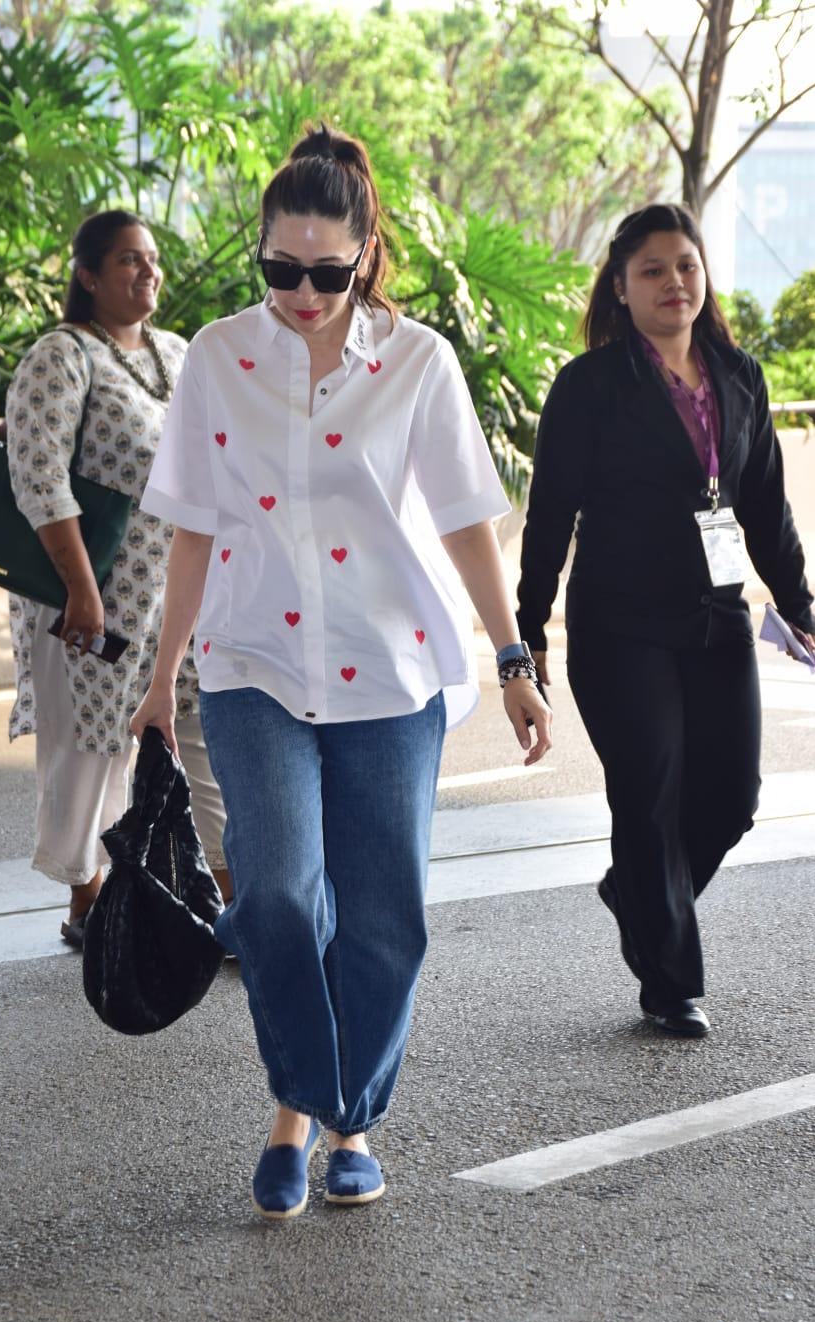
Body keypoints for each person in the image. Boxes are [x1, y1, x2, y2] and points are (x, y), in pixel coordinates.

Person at [131, 124, 552, 1219]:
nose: (302, 292)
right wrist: (159, 675)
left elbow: (465, 521)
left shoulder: (418, 363)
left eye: (326, 272)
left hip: (389, 669)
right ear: (259, 251)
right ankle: (297, 1100)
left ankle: (342, 1122)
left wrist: (511, 657)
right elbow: (188, 527)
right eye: (281, 270)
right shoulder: (216, 360)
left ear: (363, 255)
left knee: (382, 916)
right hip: (251, 665)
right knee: (273, 890)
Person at [516, 203, 815, 1038]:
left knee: (731, 797)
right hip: (621, 627)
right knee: (648, 795)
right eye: (651, 270)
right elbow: (550, 514)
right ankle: (671, 983)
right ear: (620, 287)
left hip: (718, 620)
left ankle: (636, 893)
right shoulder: (591, 385)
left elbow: (765, 506)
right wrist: (527, 628)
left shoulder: (741, 376)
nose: (673, 283)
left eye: (685, 265)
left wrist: (800, 605)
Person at [5, 209, 229, 946]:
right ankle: (88, 899)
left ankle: (230, 897)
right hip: (92, 597)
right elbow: (38, 477)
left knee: (200, 736)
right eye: (129, 259)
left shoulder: (180, 353)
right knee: (89, 752)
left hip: (180, 594)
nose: (147, 271)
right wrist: (81, 590)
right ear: (88, 274)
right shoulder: (62, 355)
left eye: (153, 258)